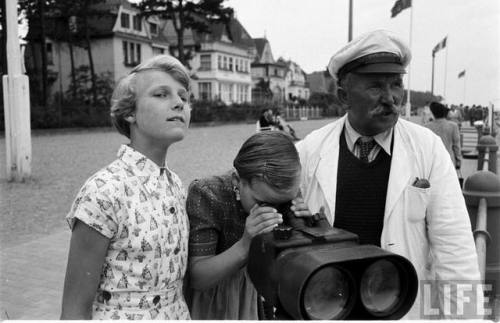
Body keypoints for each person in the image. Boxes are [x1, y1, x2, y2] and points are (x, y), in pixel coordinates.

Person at [296, 30, 481, 319]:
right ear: (344, 96)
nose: (390, 98)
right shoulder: (309, 152)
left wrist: (467, 318)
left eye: (396, 84)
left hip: (402, 309)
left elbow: (455, 251)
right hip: (329, 308)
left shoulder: (427, 148)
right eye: (375, 87)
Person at [61, 55, 192, 320]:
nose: (179, 103)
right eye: (161, 94)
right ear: (130, 112)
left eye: (184, 97)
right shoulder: (104, 191)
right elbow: (74, 309)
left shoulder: (176, 185)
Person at [185, 131, 312, 319]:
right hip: (214, 302)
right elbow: (199, 277)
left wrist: (305, 229)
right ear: (238, 181)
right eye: (263, 203)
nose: (273, 210)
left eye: (282, 203)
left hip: (260, 294)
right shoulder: (208, 193)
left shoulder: (284, 192)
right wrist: (245, 245)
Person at [426, 101, 461, 169]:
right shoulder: (453, 126)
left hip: (431, 162)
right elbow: (456, 146)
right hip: (448, 161)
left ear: (433, 113)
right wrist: (458, 160)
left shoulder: (426, 127)